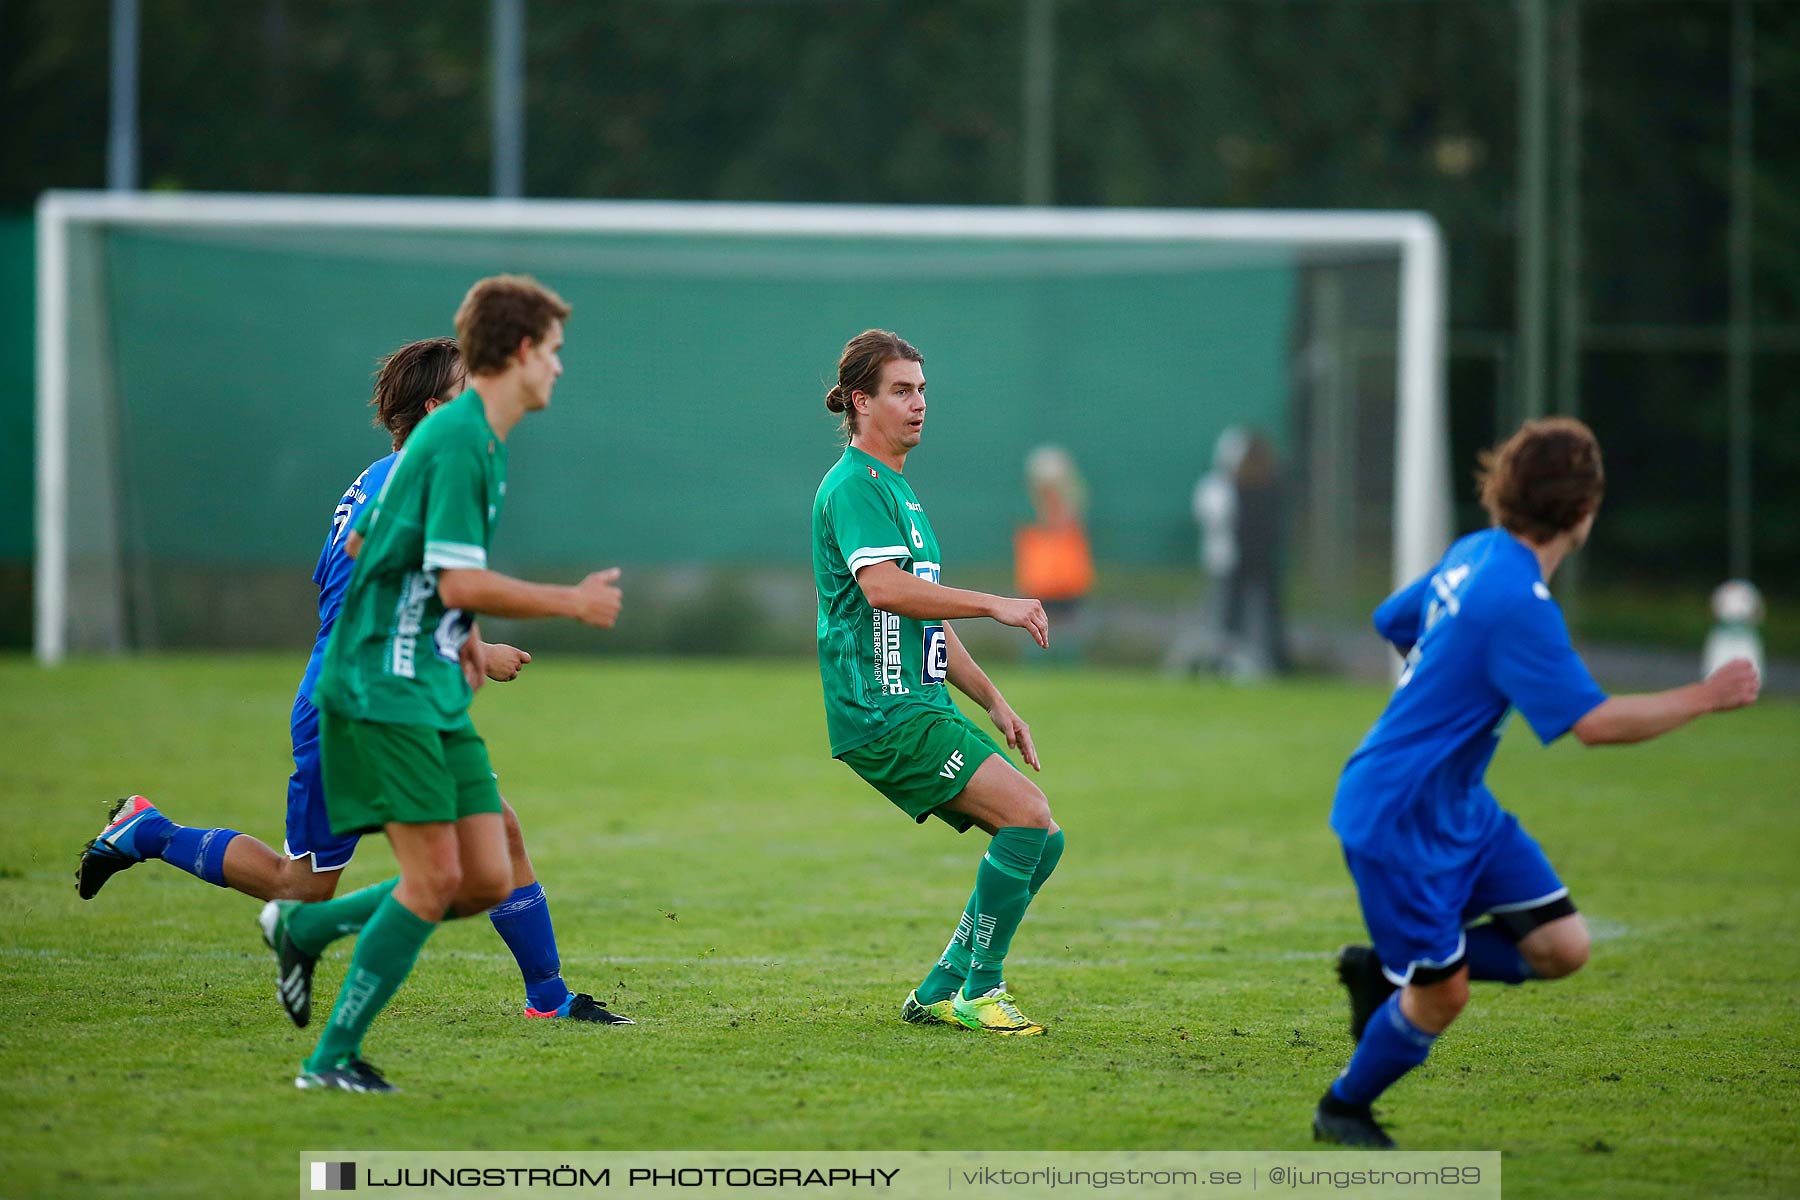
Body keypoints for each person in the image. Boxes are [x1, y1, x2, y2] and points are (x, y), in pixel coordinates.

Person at [76, 336, 631, 1030]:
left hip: (386, 691)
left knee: (475, 843)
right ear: (437, 407)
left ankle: (549, 999)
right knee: (329, 885)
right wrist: (488, 641)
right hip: (358, 703)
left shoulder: (389, 475)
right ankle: (155, 837)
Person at [1313, 417, 1760, 1147]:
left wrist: (1443, 682)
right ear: (1583, 512)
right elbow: (1595, 723)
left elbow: (1392, 618)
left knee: (1561, 947)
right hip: (1399, 818)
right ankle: (1343, 1107)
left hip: (1457, 803)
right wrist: (1706, 696)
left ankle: (1392, 975)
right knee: (1442, 996)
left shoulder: (1478, 554)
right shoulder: (1515, 601)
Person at [276, 274, 622, 1092]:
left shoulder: (469, 442)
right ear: (523, 352)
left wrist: (449, 631)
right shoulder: (460, 442)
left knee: (487, 875)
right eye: (556, 353)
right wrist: (565, 602)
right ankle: (329, 1060)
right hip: (379, 690)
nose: (560, 371)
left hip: (425, 683)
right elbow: (453, 578)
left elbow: (368, 544)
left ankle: (309, 927)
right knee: (435, 882)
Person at [812, 329, 1065, 1036]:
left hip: (916, 704)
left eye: (921, 390)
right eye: (901, 390)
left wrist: (995, 701)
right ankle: (981, 990)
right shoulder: (856, 485)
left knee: (1043, 838)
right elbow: (885, 590)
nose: (918, 404)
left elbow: (925, 619)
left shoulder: (898, 491)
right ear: (861, 402)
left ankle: (940, 987)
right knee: (1026, 815)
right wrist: (996, 602)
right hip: (882, 711)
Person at [1013, 445, 1093, 664]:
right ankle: (1040, 664)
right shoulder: (1035, 516)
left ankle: (1067, 664)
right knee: (1038, 631)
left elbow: (1073, 505)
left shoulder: (1069, 518)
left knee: (1068, 633)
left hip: (1067, 582)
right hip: (1042, 583)